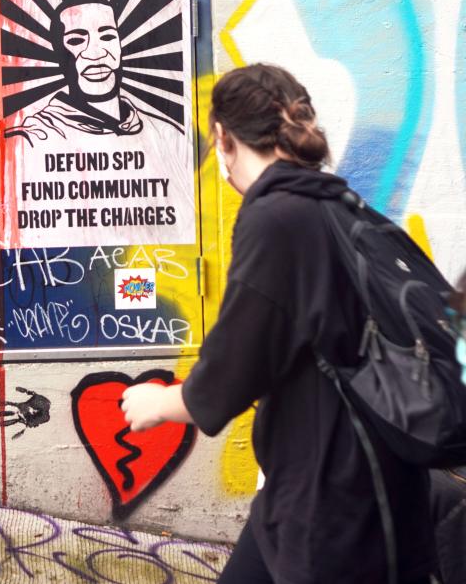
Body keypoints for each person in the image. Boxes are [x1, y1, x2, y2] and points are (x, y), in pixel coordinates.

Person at [121, 64, 437, 584]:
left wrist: (160, 402)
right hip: (349, 488)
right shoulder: (338, 205)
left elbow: (234, 368)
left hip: (333, 503)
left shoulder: (278, 218)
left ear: (223, 137)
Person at [5, 0, 173, 145]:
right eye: (76, 40)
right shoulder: (30, 140)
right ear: (58, 54)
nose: (96, 53)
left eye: (107, 37)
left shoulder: (164, 133)